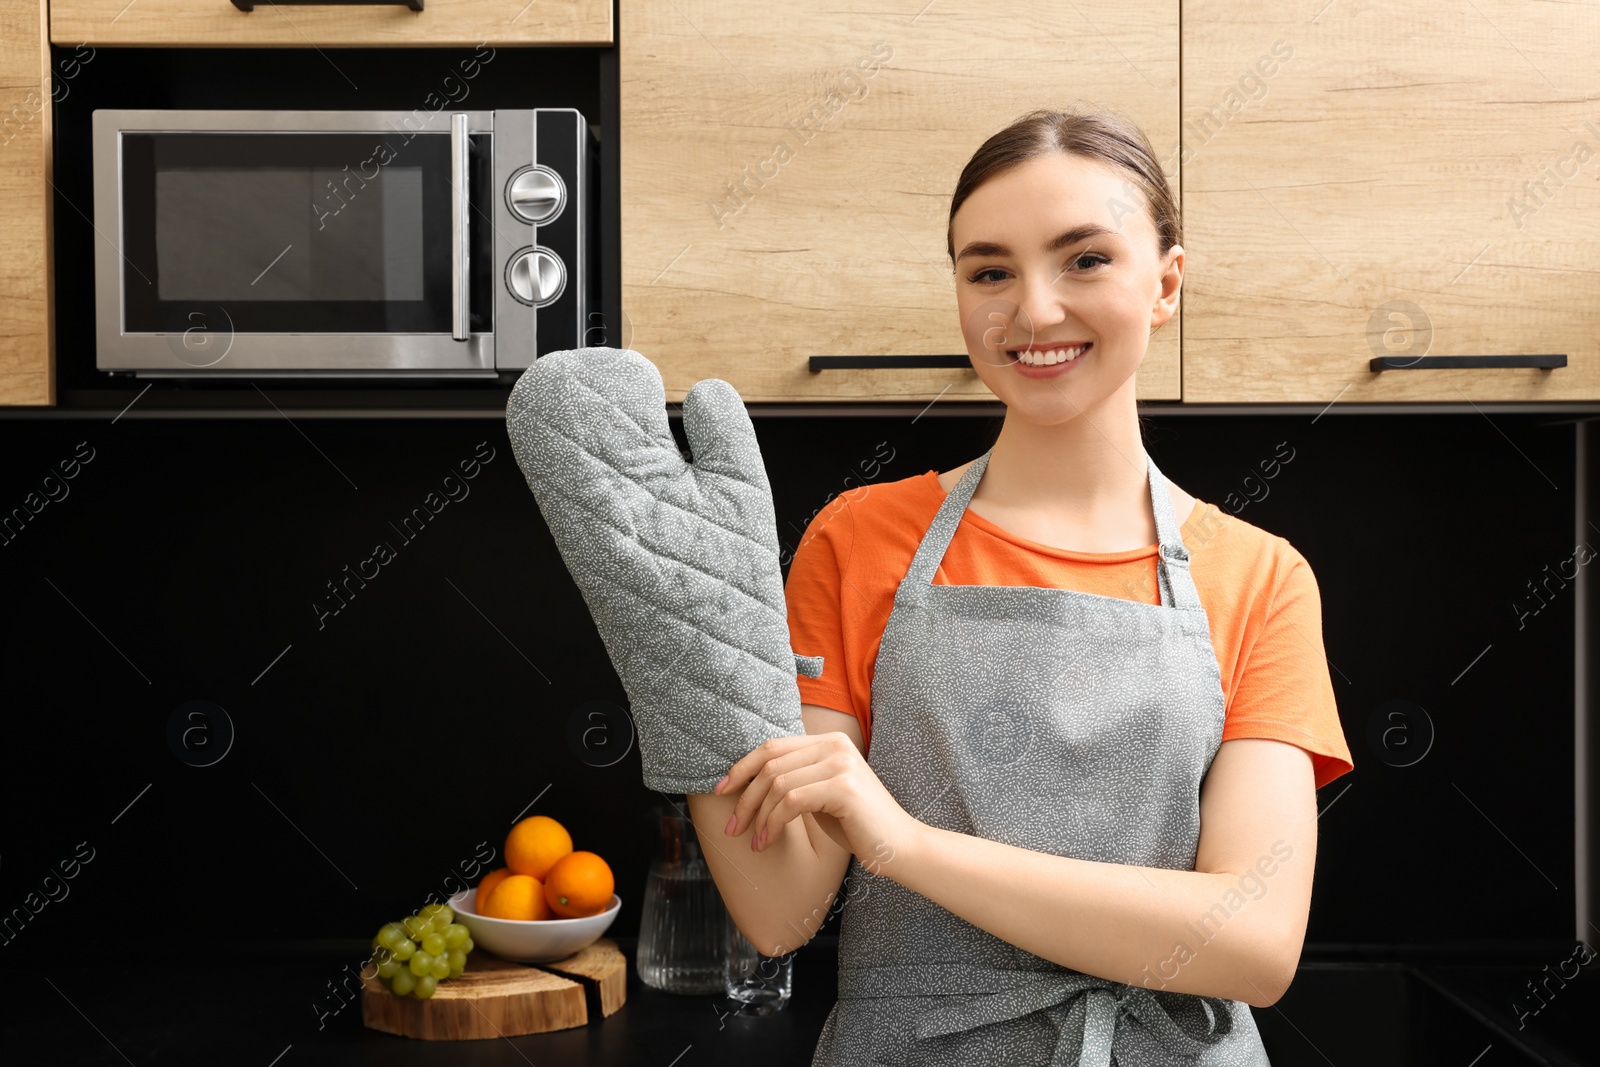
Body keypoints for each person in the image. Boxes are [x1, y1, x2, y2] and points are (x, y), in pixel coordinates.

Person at [691, 105, 1354, 1065]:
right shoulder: (859, 538)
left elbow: (1251, 942)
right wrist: (679, 642)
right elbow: (779, 908)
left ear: (1166, 284)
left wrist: (905, 845)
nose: (1033, 310)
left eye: (1085, 259)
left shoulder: (1260, 576)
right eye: (990, 270)